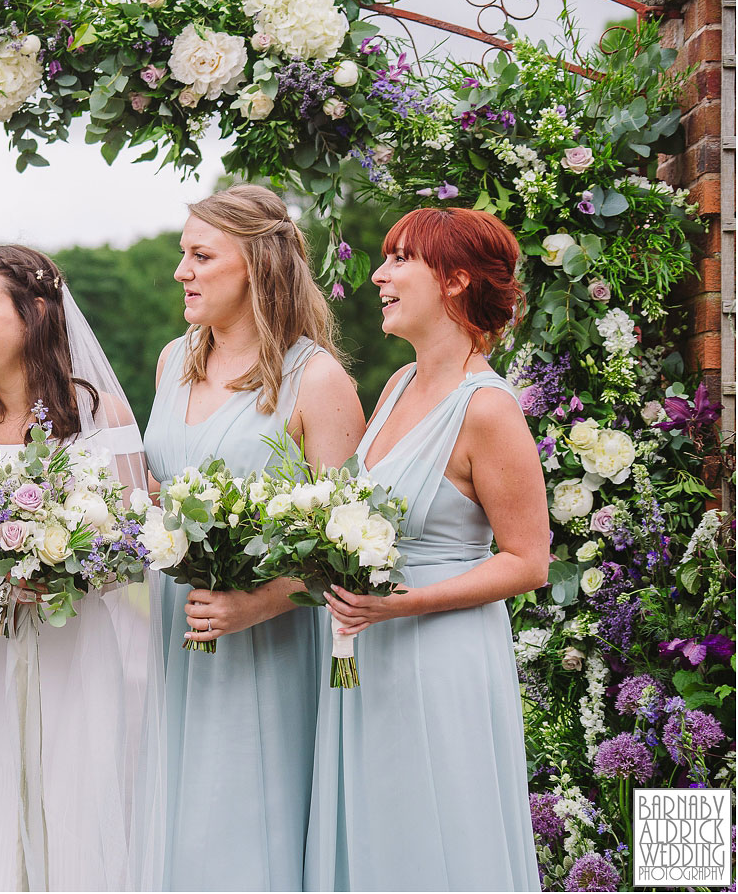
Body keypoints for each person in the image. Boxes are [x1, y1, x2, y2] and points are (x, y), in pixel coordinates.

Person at [305, 206, 546, 891]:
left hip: (440, 654)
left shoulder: (488, 409)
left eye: (400, 259)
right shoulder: (398, 385)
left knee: (439, 833)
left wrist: (405, 605)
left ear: (455, 280)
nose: (379, 274)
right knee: (382, 838)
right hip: (366, 649)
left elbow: (527, 561)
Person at [138, 183, 365, 890]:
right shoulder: (173, 361)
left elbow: (353, 544)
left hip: (267, 642)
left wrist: (261, 602)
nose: (183, 271)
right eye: (184, 254)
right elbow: (156, 491)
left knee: (242, 826)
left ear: (259, 266)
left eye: (202, 256)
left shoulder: (318, 380)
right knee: (179, 821)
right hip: (176, 630)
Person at [0, 245, 149, 892]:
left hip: (74, 643)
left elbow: (136, 543)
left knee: (76, 803)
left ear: (32, 314)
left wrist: (61, 568)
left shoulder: (99, 415)